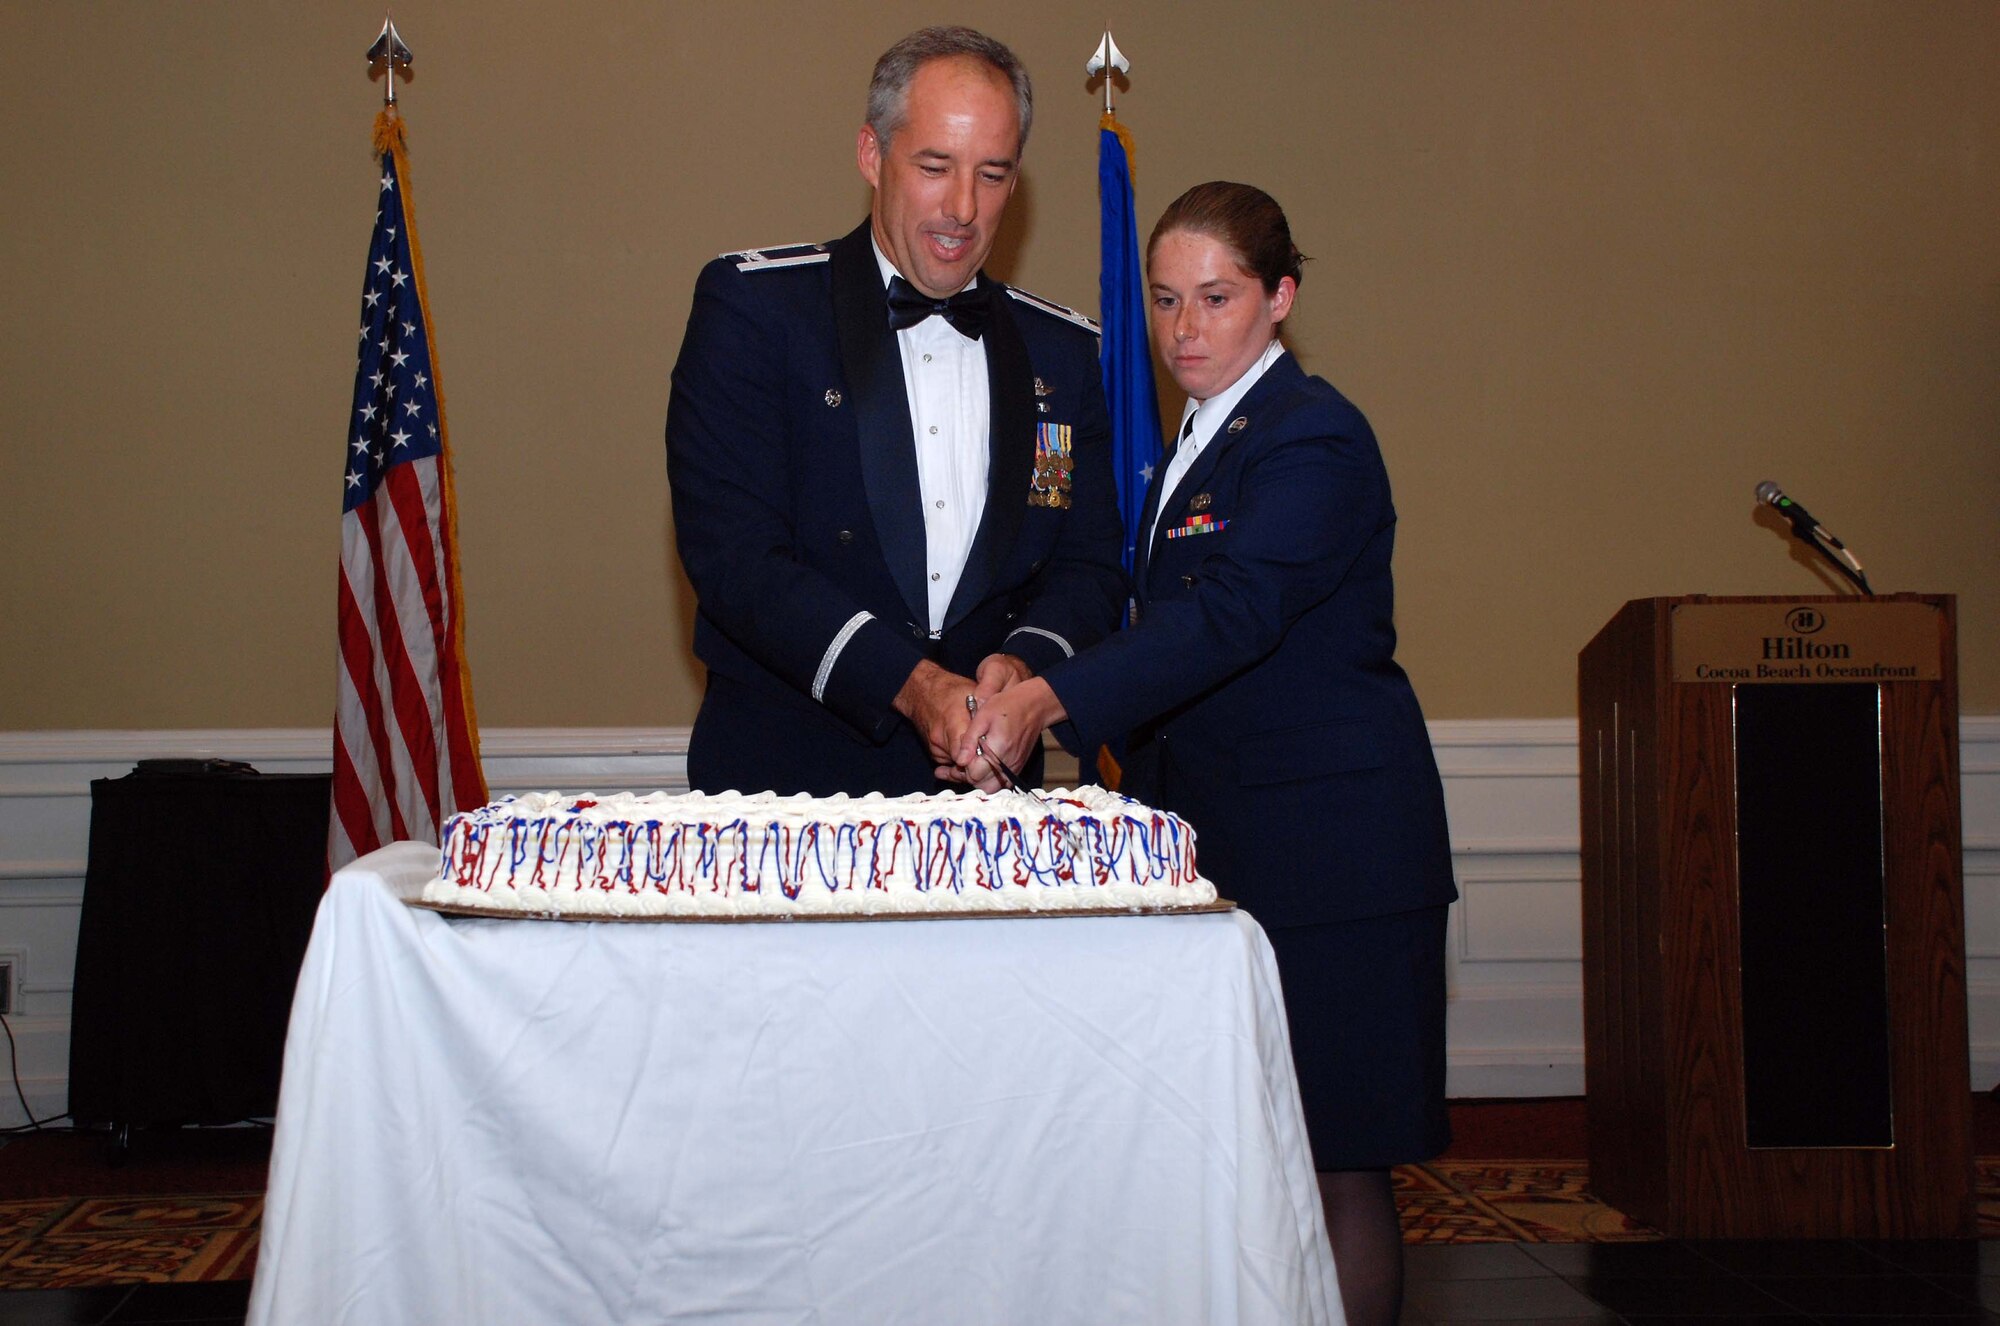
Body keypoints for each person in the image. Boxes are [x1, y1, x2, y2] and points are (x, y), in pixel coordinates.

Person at [957, 182, 1456, 1326]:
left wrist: (1046, 701)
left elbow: (1229, 617)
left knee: (1335, 1164)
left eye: (1218, 298)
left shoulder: (1311, 435)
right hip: (1234, 846)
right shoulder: (1199, 438)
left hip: (1332, 864)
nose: (1185, 329)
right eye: (1166, 299)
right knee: (1255, 1157)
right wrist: (1028, 677)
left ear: (1280, 298)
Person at [665, 26, 1125, 797]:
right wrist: (912, 684)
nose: (963, 208)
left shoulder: (1064, 352)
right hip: (785, 799)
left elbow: (1088, 567)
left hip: (990, 802)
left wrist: (1021, 672)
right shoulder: (757, 311)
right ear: (873, 156)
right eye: (935, 167)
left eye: (993, 174)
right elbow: (735, 559)